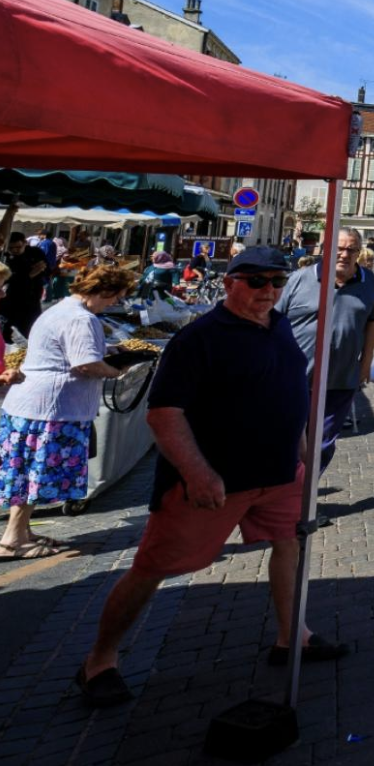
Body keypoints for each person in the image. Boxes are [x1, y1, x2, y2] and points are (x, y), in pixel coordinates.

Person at [76, 248, 347, 708]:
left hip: (280, 473)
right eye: (256, 281)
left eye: (277, 282)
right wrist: (197, 473)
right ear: (229, 283)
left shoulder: (278, 325)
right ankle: (99, 661)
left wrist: (301, 452)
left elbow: (292, 390)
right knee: (153, 567)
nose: (269, 291)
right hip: (215, 480)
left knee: (291, 544)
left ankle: (291, 636)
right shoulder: (199, 338)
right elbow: (163, 414)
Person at [0, 264, 136, 559]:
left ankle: (21, 532)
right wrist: (116, 370)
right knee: (37, 473)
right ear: (103, 291)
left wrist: (108, 349)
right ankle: (13, 539)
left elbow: (68, 351)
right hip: (53, 409)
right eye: (115, 297)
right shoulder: (81, 319)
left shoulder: (59, 310)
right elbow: (85, 365)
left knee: (25, 472)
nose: (115, 303)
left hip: (31, 404)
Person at [276, 229, 374, 493]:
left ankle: (301, 499)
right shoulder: (299, 279)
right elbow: (271, 322)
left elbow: (371, 325)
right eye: (338, 248)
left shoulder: (368, 281)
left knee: (322, 443)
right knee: (288, 441)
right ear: (325, 249)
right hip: (293, 380)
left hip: (340, 379)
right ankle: (285, 499)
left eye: (351, 249)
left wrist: (365, 364)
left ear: (359, 252)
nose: (344, 254)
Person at [3, 231, 49, 338]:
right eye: (11, 248)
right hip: (13, 300)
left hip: (33, 299)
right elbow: (7, 279)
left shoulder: (35, 253)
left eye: (18, 247)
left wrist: (39, 271)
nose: (15, 250)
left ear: (25, 243)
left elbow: (46, 270)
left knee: (31, 331)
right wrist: (29, 274)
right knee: (10, 334)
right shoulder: (5, 257)